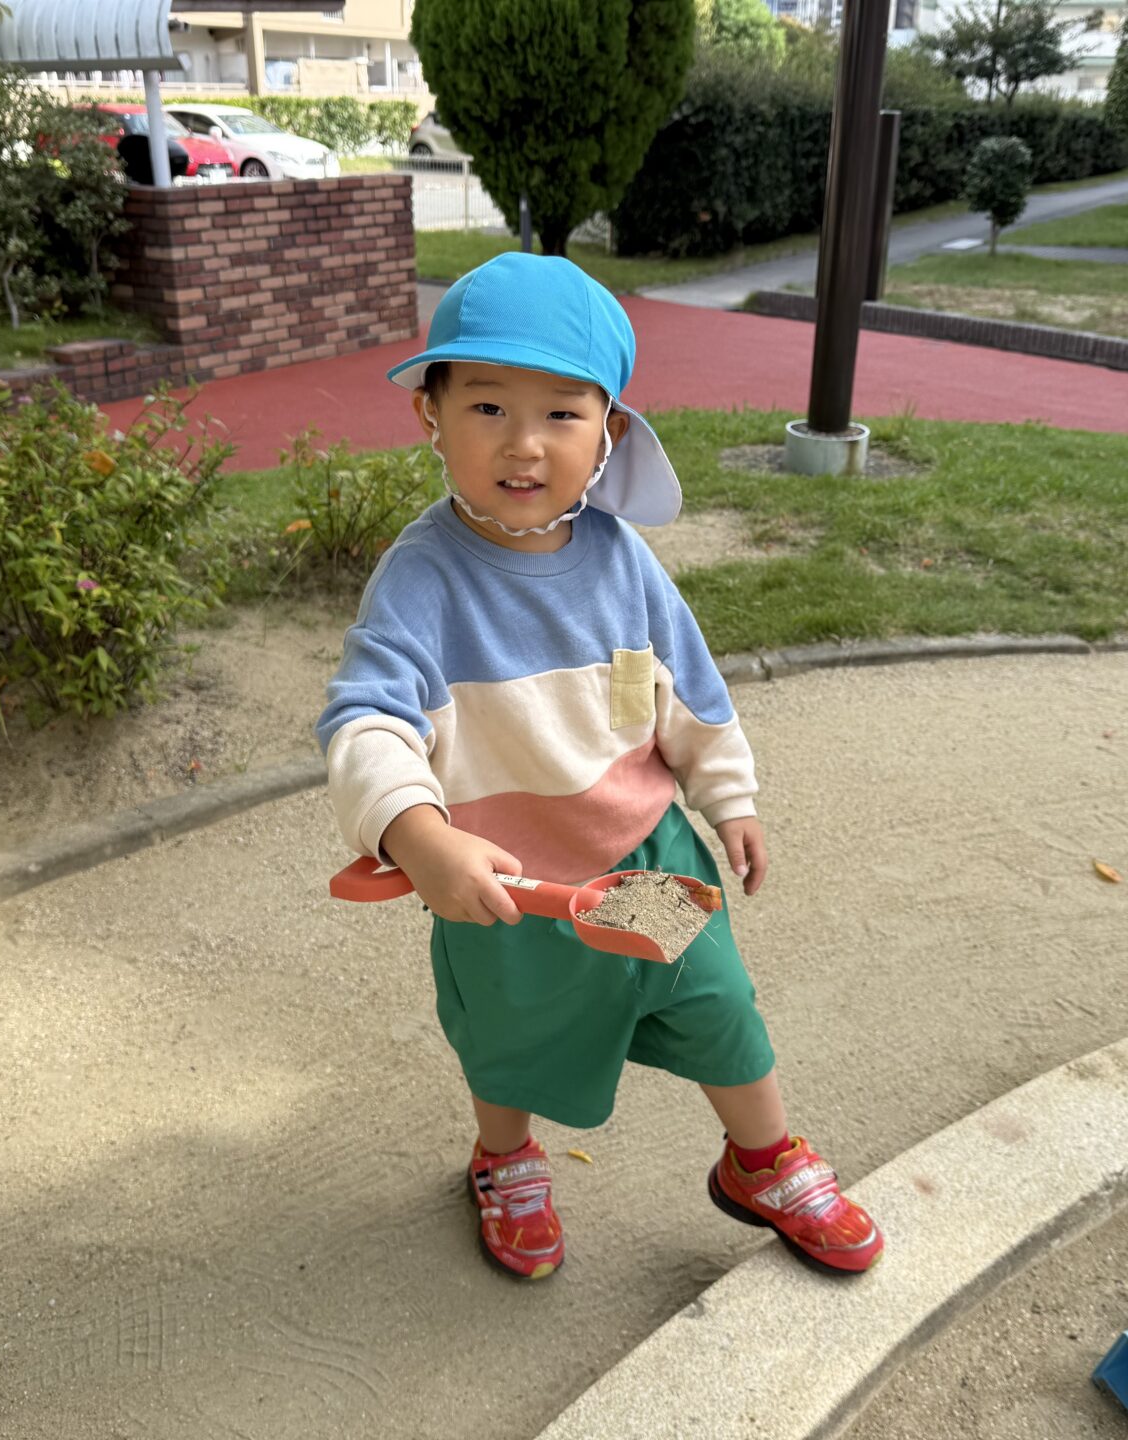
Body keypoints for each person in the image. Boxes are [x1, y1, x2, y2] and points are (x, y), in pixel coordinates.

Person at [317, 254, 883, 1282]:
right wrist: (417, 833)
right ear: (430, 414)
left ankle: (761, 1159)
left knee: (718, 1004)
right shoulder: (422, 581)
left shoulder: (625, 561)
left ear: (609, 432)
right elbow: (367, 721)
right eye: (488, 405)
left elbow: (687, 693)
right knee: (508, 1040)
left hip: (648, 858)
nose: (524, 443)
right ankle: (505, 1159)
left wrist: (729, 797)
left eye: (562, 414)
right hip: (506, 888)